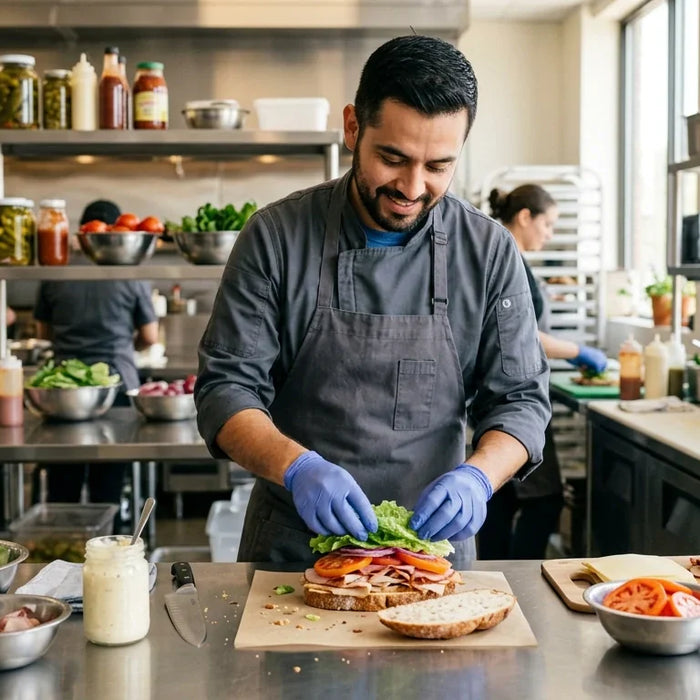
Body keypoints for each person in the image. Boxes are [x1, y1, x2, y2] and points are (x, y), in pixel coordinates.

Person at [195, 35, 551, 568]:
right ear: (352, 128)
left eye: (438, 167)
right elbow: (225, 389)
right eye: (393, 158)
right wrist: (296, 467)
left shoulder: (488, 251)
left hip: (431, 558)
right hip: (296, 553)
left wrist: (479, 476)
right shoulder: (275, 236)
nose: (412, 186)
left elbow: (521, 399)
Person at [478, 184, 607, 559]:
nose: (549, 234)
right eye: (547, 224)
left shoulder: (507, 256)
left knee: (500, 498)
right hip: (517, 397)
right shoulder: (508, 257)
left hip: (500, 396)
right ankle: (523, 581)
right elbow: (520, 335)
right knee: (544, 501)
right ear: (524, 217)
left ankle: (496, 579)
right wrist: (578, 352)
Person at [32, 199, 158, 507]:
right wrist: (127, 345)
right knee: (108, 488)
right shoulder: (132, 274)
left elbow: (42, 334)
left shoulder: (56, 272)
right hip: (116, 387)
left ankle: (63, 549)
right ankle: (110, 549)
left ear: (81, 234)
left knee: (63, 490)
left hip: (65, 391)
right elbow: (150, 336)